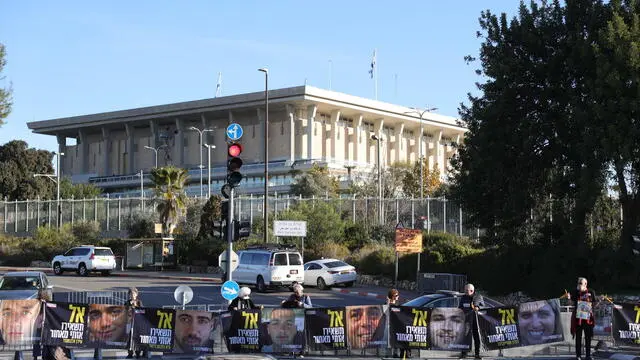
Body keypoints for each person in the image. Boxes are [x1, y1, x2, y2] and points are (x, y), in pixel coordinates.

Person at [568, 277, 597, 360]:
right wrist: (569, 298)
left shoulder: (591, 292)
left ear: (585, 284)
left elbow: (594, 304)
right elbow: (570, 303)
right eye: (578, 283)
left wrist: (600, 301)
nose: (579, 284)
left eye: (581, 283)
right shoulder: (575, 292)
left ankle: (588, 355)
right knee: (578, 337)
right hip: (578, 318)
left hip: (588, 318)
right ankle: (578, 355)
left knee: (588, 337)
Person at [458, 283, 483, 358]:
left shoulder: (478, 297)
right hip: (466, 320)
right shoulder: (463, 297)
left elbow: (483, 306)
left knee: (476, 337)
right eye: (465, 290)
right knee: (465, 336)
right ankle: (464, 353)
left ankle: (477, 354)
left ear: (472, 291)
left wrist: (478, 307)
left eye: (466, 291)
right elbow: (460, 307)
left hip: (476, 321)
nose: (465, 292)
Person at [126, 287, 144, 358]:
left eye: (133, 294)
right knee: (129, 338)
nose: (132, 296)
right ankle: (130, 353)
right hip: (130, 322)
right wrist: (129, 305)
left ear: (136, 294)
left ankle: (138, 353)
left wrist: (136, 305)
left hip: (137, 323)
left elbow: (143, 310)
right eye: (130, 294)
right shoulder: (127, 302)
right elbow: (124, 310)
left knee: (137, 338)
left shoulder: (139, 302)